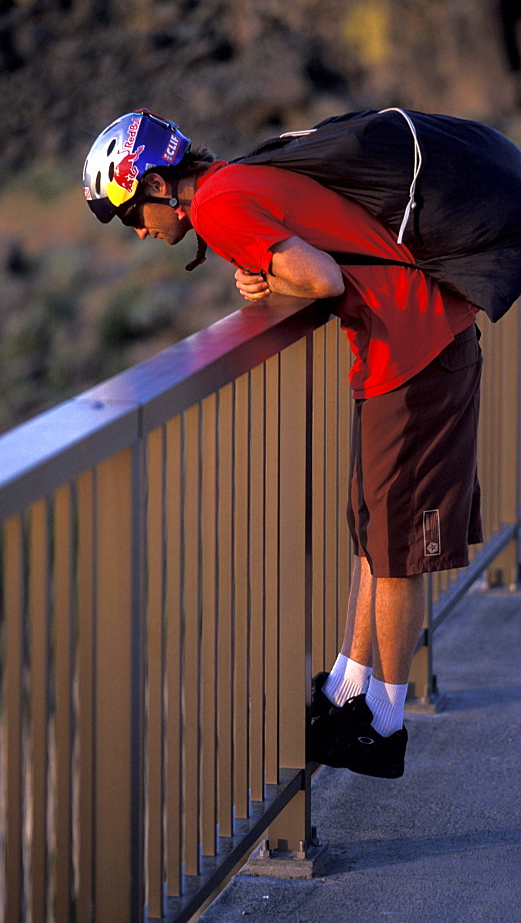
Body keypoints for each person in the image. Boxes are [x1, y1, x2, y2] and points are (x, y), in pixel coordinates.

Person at [84, 109, 484, 779]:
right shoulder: (230, 181)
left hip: (415, 351)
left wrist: (270, 268)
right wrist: (266, 271)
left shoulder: (215, 206)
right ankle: (347, 692)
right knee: (372, 532)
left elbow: (323, 279)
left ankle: (383, 727)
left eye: (130, 216)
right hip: (404, 347)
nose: (142, 233)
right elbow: (306, 252)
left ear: (155, 185)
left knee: (396, 552)